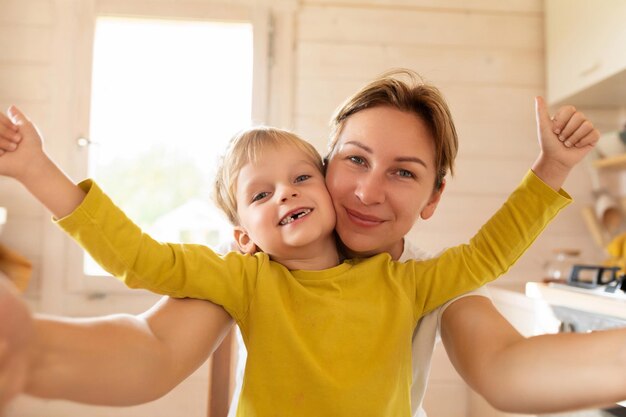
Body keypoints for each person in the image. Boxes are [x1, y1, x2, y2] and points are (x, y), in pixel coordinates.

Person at [0, 70, 621, 415]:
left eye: (404, 172)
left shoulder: (414, 283)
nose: (370, 191)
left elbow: (491, 269)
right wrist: (36, 171)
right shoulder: (247, 274)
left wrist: (552, 168)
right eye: (354, 160)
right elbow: (142, 284)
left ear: (433, 197)